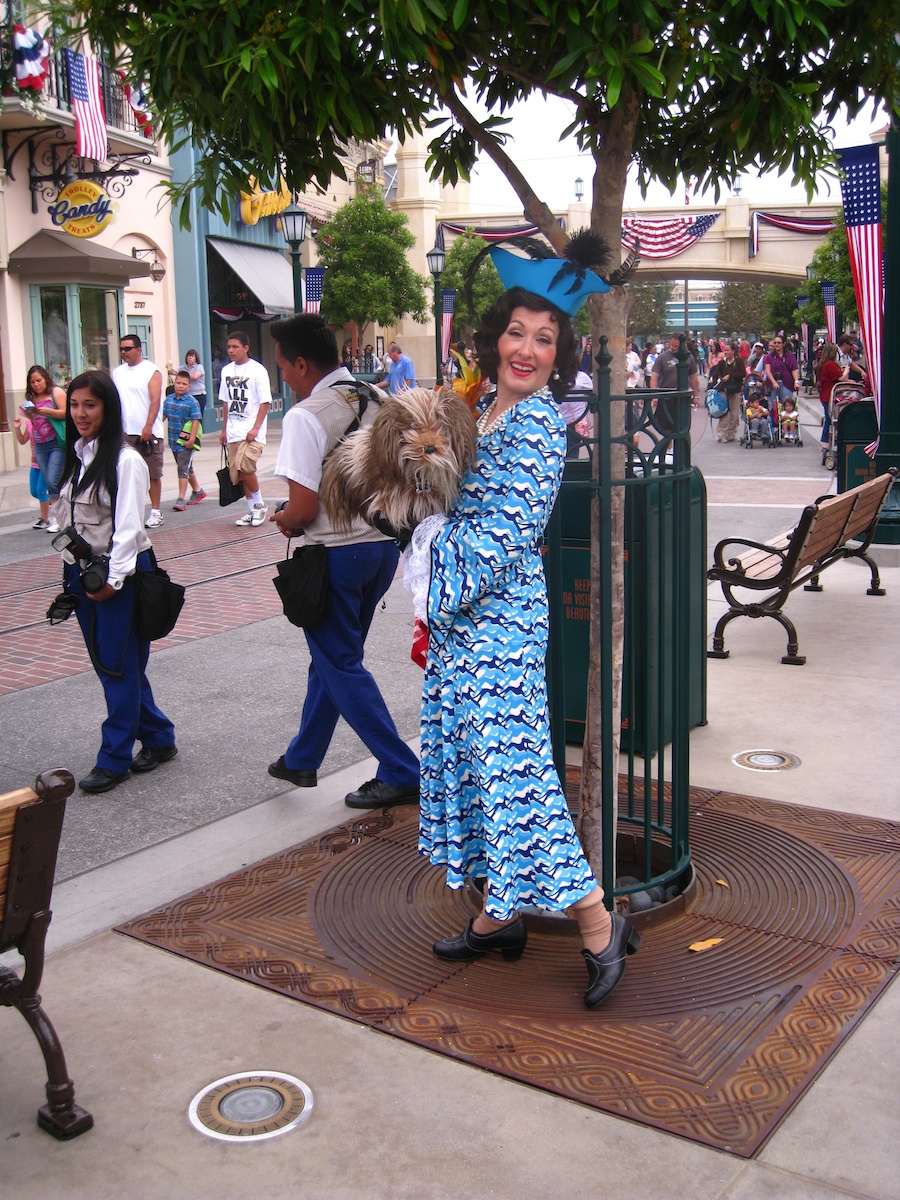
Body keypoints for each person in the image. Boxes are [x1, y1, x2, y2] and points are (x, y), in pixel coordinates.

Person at [414, 244, 641, 1010]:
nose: (528, 349)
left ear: (559, 354)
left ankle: (597, 928)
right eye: (518, 331)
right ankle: (499, 916)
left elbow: (505, 536)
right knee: (484, 772)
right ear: (494, 338)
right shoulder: (484, 407)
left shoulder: (538, 426)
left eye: (546, 338)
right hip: (466, 627)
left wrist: (428, 569)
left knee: (520, 781)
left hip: (499, 626)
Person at [266, 313, 421, 809]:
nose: (283, 377)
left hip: (333, 555)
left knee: (341, 662)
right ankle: (302, 756)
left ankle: (401, 769)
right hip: (380, 549)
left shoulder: (305, 416)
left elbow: (304, 508)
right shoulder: (378, 399)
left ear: (302, 363)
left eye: (284, 368)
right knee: (330, 660)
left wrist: (285, 519)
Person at [51, 371, 177, 794]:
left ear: (108, 408)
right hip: (84, 574)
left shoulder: (125, 460)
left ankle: (114, 759)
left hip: (115, 575)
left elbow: (128, 529)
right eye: (74, 405)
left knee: (117, 668)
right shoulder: (79, 454)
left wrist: (114, 582)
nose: (81, 414)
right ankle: (158, 738)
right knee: (116, 666)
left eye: (90, 405)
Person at [218, 331, 271, 526]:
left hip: (251, 431)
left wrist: (256, 428)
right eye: (229, 347)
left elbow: (265, 402)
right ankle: (252, 509)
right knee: (238, 474)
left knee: (246, 467)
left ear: (246, 348)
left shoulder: (258, 371)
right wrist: (223, 430)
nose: (231, 350)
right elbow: (225, 402)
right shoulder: (226, 371)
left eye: (235, 347)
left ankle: (259, 506)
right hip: (233, 430)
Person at [113, 334, 165, 529]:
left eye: (127, 349)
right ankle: (131, 512)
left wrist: (149, 425)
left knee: (153, 473)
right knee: (127, 473)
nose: (124, 353)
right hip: (125, 431)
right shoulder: (118, 372)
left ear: (138, 350)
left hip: (147, 432)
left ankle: (156, 511)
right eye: (121, 349)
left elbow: (155, 399)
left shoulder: (151, 371)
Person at [23, 365, 67, 531]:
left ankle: (58, 518)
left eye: (39, 380)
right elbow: (35, 422)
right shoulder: (32, 398)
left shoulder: (56, 392)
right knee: (50, 482)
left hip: (56, 441)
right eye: (32, 382)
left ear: (45, 379)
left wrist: (46, 411)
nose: (36, 384)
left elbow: (65, 412)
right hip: (40, 444)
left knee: (53, 479)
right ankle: (60, 515)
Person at [163, 370, 207, 511]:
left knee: (182, 469)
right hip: (173, 441)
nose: (181, 386)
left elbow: (196, 421)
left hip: (186, 443)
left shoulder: (192, 402)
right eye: (178, 383)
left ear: (189, 387)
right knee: (187, 467)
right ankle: (198, 491)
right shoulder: (168, 400)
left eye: (184, 384)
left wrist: (192, 439)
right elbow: (162, 417)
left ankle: (181, 498)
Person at [649, 332, 700, 430]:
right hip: (667, 397)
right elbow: (654, 376)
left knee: (682, 427)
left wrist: (696, 396)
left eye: (677, 346)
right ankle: (669, 446)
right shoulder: (662, 357)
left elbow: (693, 377)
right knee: (666, 427)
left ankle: (680, 445)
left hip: (682, 397)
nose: (674, 348)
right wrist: (654, 394)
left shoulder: (688, 357)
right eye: (672, 345)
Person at [13, 405, 51, 529]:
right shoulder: (29, 424)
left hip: (45, 460)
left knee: (41, 490)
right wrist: (17, 429)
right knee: (34, 491)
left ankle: (45, 519)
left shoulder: (46, 422)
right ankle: (53, 501)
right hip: (34, 462)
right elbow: (23, 440)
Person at [708, 340, 746, 443]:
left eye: (728, 350)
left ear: (733, 351)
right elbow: (715, 374)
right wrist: (713, 386)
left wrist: (730, 376)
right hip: (724, 390)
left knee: (734, 413)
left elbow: (743, 373)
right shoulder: (721, 363)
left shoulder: (739, 362)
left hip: (736, 390)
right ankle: (721, 434)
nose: (726, 352)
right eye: (725, 350)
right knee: (724, 412)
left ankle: (731, 434)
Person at [817, 343, 847, 446]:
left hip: (826, 394)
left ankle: (826, 440)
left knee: (829, 417)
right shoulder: (830, 364)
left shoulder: (825, 364)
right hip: (829, 395)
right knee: (829, 418)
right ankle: (825, 440)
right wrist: (846, 370)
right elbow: (841, 378)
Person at [763, 335, 800, 403]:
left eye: (779, 343)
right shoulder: (769, 357)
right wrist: (773, 382)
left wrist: (796, 381)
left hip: (786, 383)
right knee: (772, 407)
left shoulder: (790, 356)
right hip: (772, 384)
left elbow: (794, 369)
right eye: (775, 343)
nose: (777, 344)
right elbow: (768, 371)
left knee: (787, 405)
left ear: (784, 344)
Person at [181, 349, 207, 423]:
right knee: (188, 418)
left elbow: (195, 377)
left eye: (192, 356)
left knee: (197, 418)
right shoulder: (183, 367)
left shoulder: (199, 367)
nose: (190, 358)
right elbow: (176, 372)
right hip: (187, 396)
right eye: (189, 356)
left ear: (196, 358)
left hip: (199, 396)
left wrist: (182, 375)